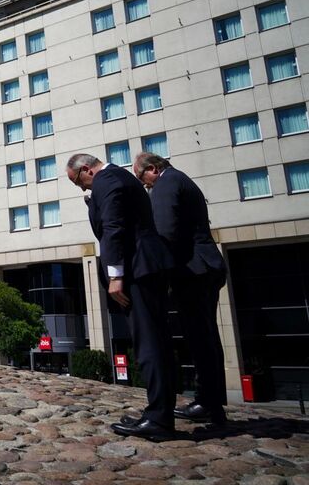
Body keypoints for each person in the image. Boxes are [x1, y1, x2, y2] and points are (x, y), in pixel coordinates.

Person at [66, 153, 177, 441]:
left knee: (150, 343)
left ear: (87, 170)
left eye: (78, 182)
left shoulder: (108, 181)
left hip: (138, 268)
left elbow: (114, 227)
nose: (82, 188)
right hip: (147, 265)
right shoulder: (121, 177)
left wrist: (116, 276)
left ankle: (159, 419)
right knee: (156, 341)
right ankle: (158, 411)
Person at [134, 152, 228, 426]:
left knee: (200, 337)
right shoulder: (180, 179)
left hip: (194, 269)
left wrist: (158, 268)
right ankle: (211, 401)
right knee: (206, 336)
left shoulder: (167, 183)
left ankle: (208, 402)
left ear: (152, 169)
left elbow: (165, 229)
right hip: (204, 265)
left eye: (144, 181)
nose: (147, 187)